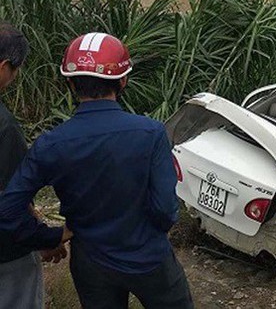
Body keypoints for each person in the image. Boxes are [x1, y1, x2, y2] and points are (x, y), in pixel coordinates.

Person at [0, 32, 193, 308]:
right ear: (123, 80)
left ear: (70, 82)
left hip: (91, 262)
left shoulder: (51, 144)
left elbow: (7, 210)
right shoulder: (150, 134)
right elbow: (165, 208)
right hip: (149, 258)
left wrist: (49, 236)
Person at [0, 22, 66, 309]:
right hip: (6, 256)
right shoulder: (4, 128)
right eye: (16, 70)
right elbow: (10, 202)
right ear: (4, 68)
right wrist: (47, 237)